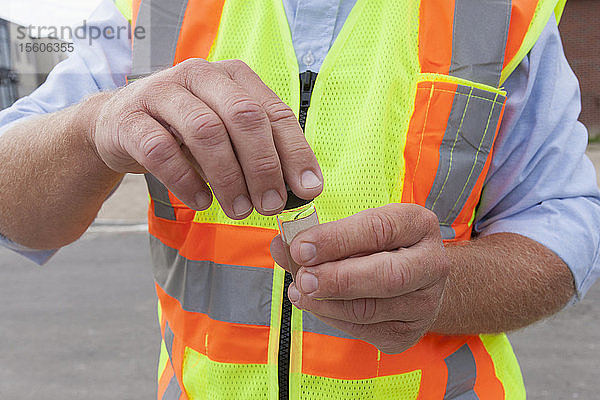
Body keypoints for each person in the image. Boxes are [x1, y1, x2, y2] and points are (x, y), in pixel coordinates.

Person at [1, 0, 599, 398]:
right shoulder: (155, 7)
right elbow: (13, 201)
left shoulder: (499, 11)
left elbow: (564, 216)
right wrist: (96, 124)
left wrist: (450, 283)